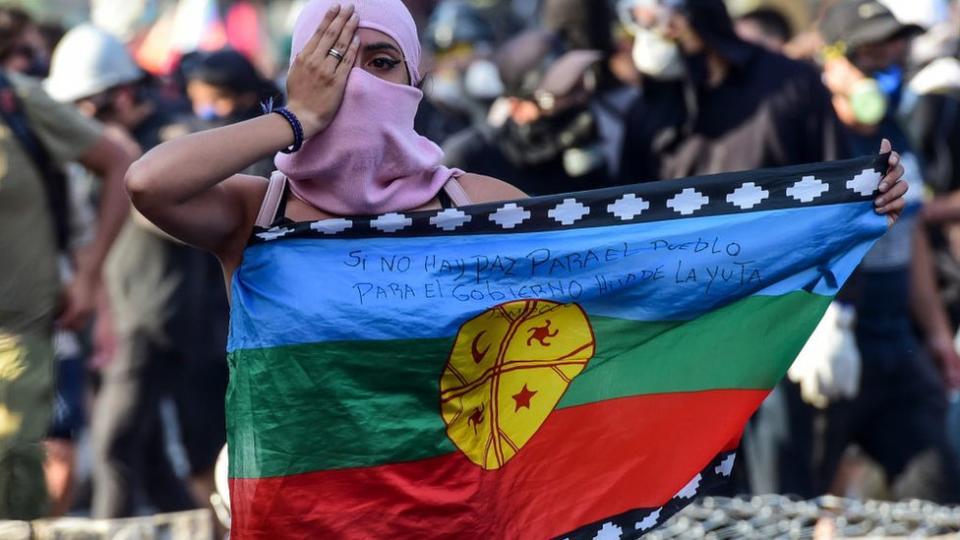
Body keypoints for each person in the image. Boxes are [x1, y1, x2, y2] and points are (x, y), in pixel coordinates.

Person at [124, 0, 907, 531]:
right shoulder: (254, 212)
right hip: (300, 523)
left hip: (461, 522)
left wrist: (836, 215)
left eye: (384, 60)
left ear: (419, 83)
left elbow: (626, 278)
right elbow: (148, 183)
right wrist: (296, 119)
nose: (359, 80)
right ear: (300, 69)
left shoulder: (475, 202)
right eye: (334, 60)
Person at [776, 0, 960, 501]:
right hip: (823, 353)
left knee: (934, 493)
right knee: (793, 503)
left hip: (896, 348)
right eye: (869, 57)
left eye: (893, 56)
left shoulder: (897, 137)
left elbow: (913, 236)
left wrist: (939, 335)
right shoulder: (809, 142)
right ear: (831, 62)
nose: (885, 70)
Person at [45, 24, 226, 519]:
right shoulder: (109, 154)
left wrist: (145, 192)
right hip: (122, 322)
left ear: (123, 94)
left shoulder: (173, 139)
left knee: (114, 449)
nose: (85, 122)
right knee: (145, 459)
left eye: (93, 107)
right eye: (76, 110)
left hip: (156, 323)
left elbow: (204, 212)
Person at [0, 23, 135, 522]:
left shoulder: (19, 102)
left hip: (22, 335)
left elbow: (121, 164)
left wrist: (90, 281)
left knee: (26, 465)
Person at [616, 0, 849, 184]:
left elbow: (836, 176)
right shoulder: (648, 110)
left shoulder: (791, 84)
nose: (658, 35)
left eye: (666, 24)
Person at [443, 30, 621, 195]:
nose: (579, 99)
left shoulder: (589, 145)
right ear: (517, 107)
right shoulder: (468, 161)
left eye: (581, 86)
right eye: (563, 92)